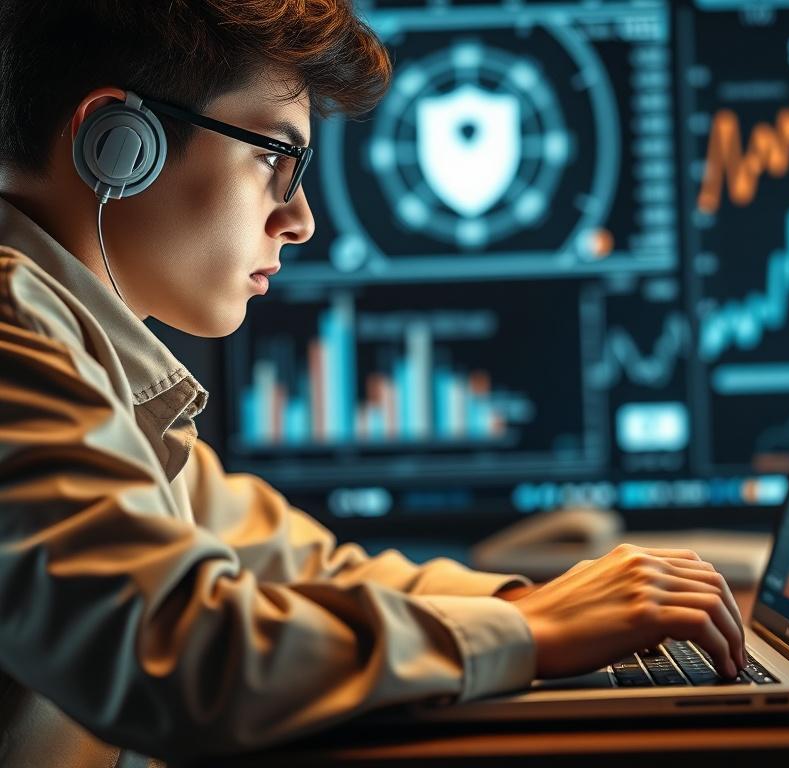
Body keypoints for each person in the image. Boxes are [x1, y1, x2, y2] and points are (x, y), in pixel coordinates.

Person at [0, 2, 746, 765]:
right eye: (274, 159)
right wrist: (534, 634)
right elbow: (179, 652)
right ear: (117, 144)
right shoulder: (14, 336)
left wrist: (535, 606)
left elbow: (303, 568)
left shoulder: (91, 364)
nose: (300, 219)